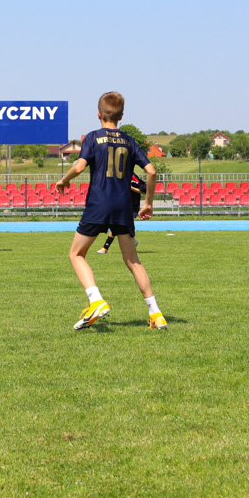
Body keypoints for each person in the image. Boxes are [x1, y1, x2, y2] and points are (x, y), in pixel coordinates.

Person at [56, 91, 166, 331]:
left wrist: (64, 180)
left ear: (98, 113)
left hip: (99, 203)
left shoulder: (93, 138)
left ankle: (95, 300)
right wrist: (148, 203)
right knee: (133, 261)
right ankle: (156, 314)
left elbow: (80, 165)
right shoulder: (128, 140)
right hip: (123, 206)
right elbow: (152, 172)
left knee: (76, 255)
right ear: (122, 116)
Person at [97, 172, 145, 253]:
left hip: (131, 206)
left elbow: (143, 191)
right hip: (118, 204)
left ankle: (105, 247)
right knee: (118, 225)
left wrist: (130, 188)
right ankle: (132, 241)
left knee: (117, 224)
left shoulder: (133, 177)